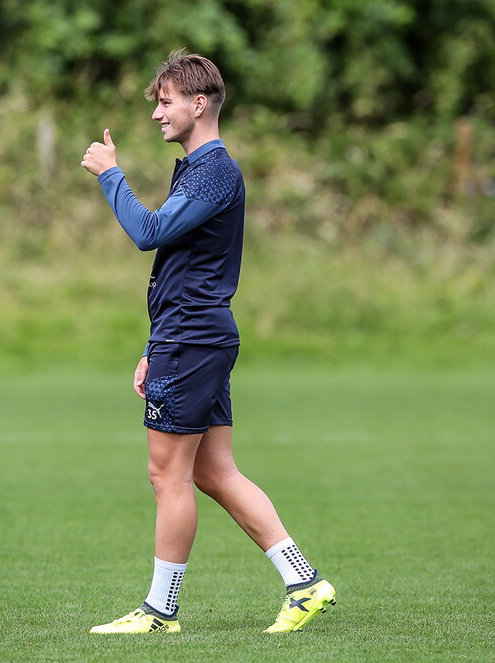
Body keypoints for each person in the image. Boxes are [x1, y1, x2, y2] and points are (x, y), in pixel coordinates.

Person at [79, 50, 335, 635]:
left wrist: (110, 174)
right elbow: (182, 264)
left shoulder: (215, 170)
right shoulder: (199, 170)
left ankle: (159, 611)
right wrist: (154, 344)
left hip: (192, 338)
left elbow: (149, 234)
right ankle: (304, 581)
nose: (156, 114)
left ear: (199, 103)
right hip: (189, 334)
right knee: (214, 472)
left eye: (164, 102)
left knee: (166, 476)